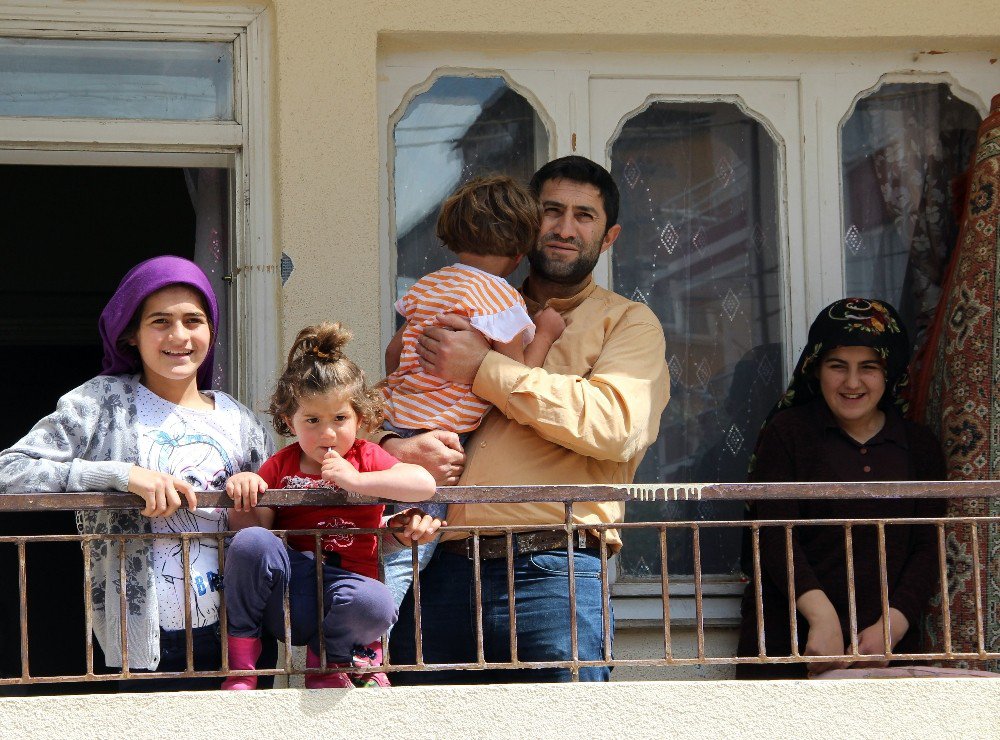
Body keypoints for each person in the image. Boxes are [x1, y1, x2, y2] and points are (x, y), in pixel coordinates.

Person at [384, 155, 670, 683]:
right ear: (524, 222)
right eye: (551, 211)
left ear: (609, 237)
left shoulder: (627, 322)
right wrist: (392, 448)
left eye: (584, 216)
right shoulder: (468, 301)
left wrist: (484, 367)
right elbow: (391, 391)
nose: (564, 228)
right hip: (436, 563)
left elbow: (616, 427)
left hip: (552, 568)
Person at [0, 255, 274, 690]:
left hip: (240, 639)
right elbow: (9, 471)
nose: (179, 336)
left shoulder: (240, 420)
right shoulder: (101, 403)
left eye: (193, 320)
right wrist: (121, 475)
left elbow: (272, 523)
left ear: (211, 330)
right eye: (160, 321)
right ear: (132, 334)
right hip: (143, 641)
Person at [381, 174, 566, 609]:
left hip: (396, 422)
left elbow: (393, 354)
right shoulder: (500, 297)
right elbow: (519, 373)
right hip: (441, 441)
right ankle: (366, 646)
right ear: (521, 252)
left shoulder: (427, 286)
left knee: (380, 535)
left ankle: (349, 630)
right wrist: (547, 333)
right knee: (412, 548)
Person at [735, 298, 946, 679]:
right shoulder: (789, 433)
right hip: (789, 641)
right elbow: (772, 533)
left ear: (891, 371)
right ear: (816, 369)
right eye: (837, 366)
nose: (852, 382)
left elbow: (927, 546)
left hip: (886, 651)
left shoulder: (920, 446)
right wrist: (822, 618)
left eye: (869, 367)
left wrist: (892, 626)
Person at [221, 322, 438, 690]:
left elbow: (424, 484)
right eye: (312, 420)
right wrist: (244, 491)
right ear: (290, 421)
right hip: (291, 591)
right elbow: (254, 535)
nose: (327, 434)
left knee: (377, 601)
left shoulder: (366, 457)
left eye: (340, 419)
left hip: (348, 592)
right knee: (251, 541)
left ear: (360, 418)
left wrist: (356, 482)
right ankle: (243, 666)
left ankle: (329, 663)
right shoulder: (282, 463)